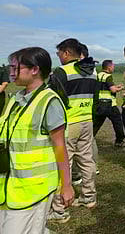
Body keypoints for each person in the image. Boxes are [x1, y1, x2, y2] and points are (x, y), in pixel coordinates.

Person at [0, 47, 74, 233]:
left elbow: (60, 148)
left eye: (16, 67)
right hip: (9, 187)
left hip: (34, 190)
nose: (11, 72)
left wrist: (66, 186)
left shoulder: (49, 102)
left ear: (35, 69)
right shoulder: (16, 99)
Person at [49, 38, 98, 223]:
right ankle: (89, 197)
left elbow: (52, 98)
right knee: (86, 159)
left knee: (63, 164)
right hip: (87, 120)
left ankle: (60, 210)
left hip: (68, 124)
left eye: (59, 54)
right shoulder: (92, 71)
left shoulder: (62, 72)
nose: (59, 57)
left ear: (67, 53)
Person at [94, 60, 125, 147]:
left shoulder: (98, 75)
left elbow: (104, 87)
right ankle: (119, 141)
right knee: (118, 123)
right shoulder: (108, 76)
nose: (113, 68)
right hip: (110, 104)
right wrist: (121, 88)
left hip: (99, 103)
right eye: (113, 66)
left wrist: (116, 86)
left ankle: (89, 140)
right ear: (109, 67)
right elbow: (113, 90)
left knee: (96, 124)